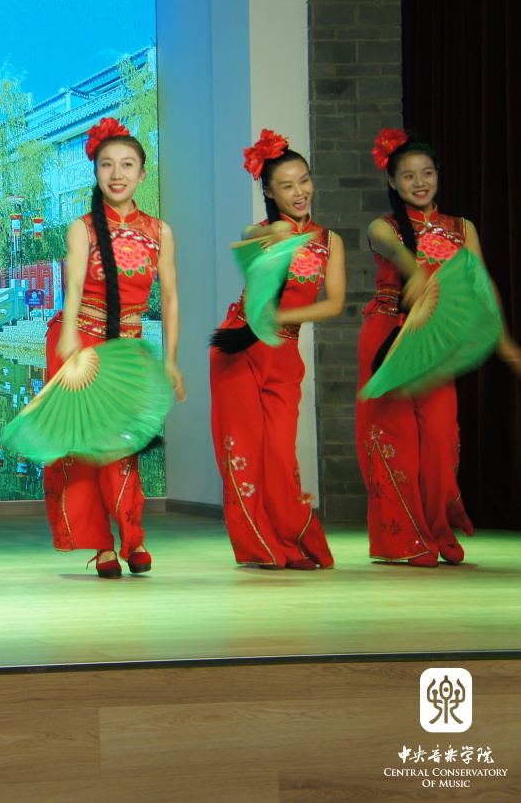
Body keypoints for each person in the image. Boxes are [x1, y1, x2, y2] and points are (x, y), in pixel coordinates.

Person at [355, 129, 521, 566]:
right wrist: (414, 272)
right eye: (408, 176)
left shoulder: (462, 228)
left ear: (437, 175)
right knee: (397, 439)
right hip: (390, 333)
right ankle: (403, 539)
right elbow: (392, 248)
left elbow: (482, 286)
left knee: (440, 438)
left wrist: (505, 343)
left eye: (426, 173)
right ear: (393, 182)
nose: (419, 182)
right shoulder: (384, 226)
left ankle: (436, 530)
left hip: (434, 341)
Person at [44, 117, 184, 579]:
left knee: (122, 445)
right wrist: (68, 334)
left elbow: (169, 298)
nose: (117, 173)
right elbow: (74, 286)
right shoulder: (82, 228)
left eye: (127, 164)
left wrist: (171, 359)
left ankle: (133, 536)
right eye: (107, 164)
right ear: (96, 172)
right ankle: (102, 545)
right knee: (87, 449)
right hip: (82, 341)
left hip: (128, 347)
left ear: (142, 174)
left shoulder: (159, 232)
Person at [208, 130, 343, 570]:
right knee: (244, 451)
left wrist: (280, 317)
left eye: (304, 180)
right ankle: (261, 548)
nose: (299, 191)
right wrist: (280, 232)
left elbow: (334, 304)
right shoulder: (263, 232)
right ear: (268, 192)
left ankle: (292, 539)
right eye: (286, 185)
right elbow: (252, 234)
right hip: (240, 348)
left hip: (283, 352)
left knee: (281, 455)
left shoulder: (329, 241)